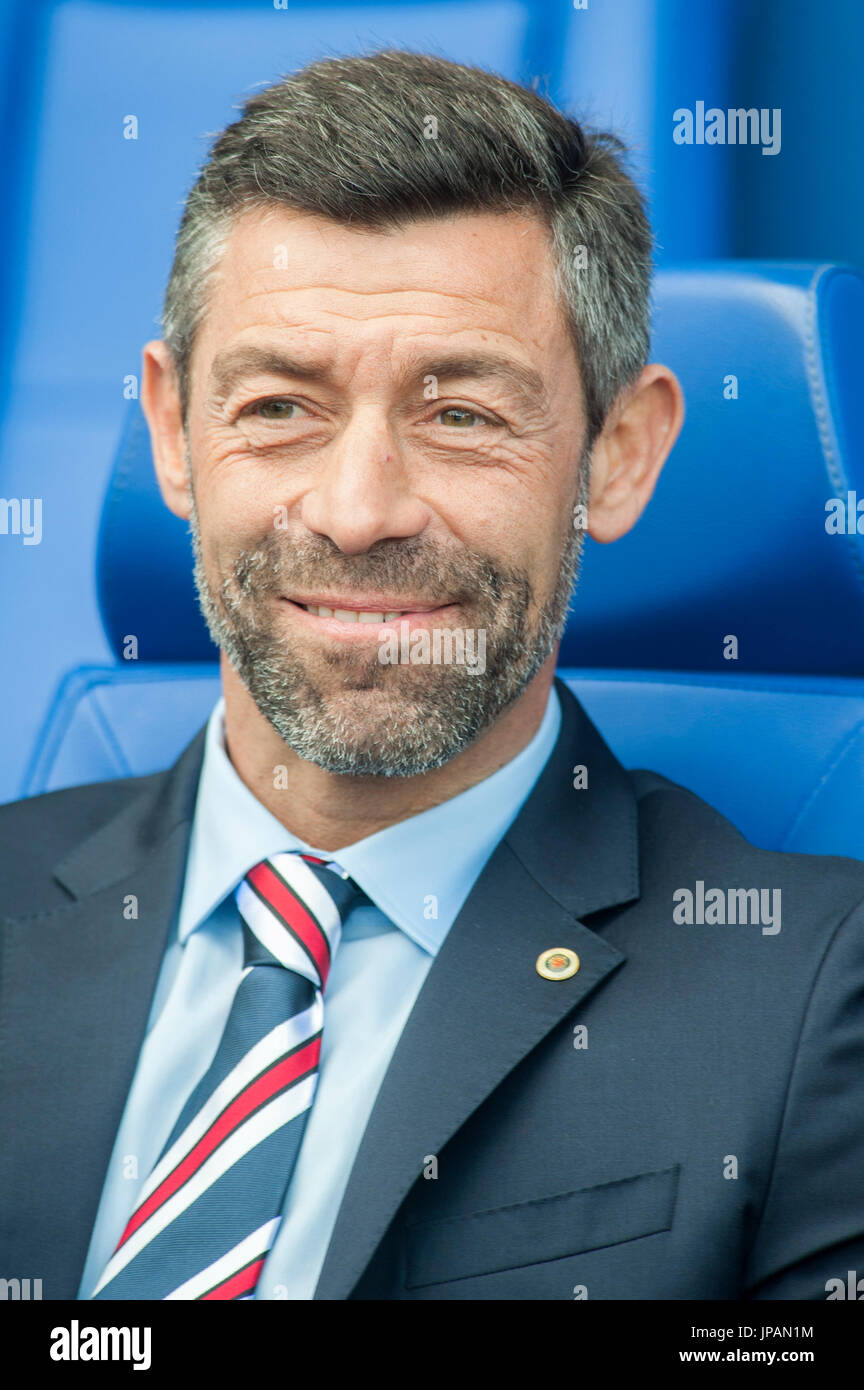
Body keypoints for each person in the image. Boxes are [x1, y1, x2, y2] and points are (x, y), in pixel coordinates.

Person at [2, 49, 863, 1302]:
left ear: (618, 456)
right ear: (174, 431)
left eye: (460, 413)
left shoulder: (817, 994)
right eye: (281, 405)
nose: (358, 513)